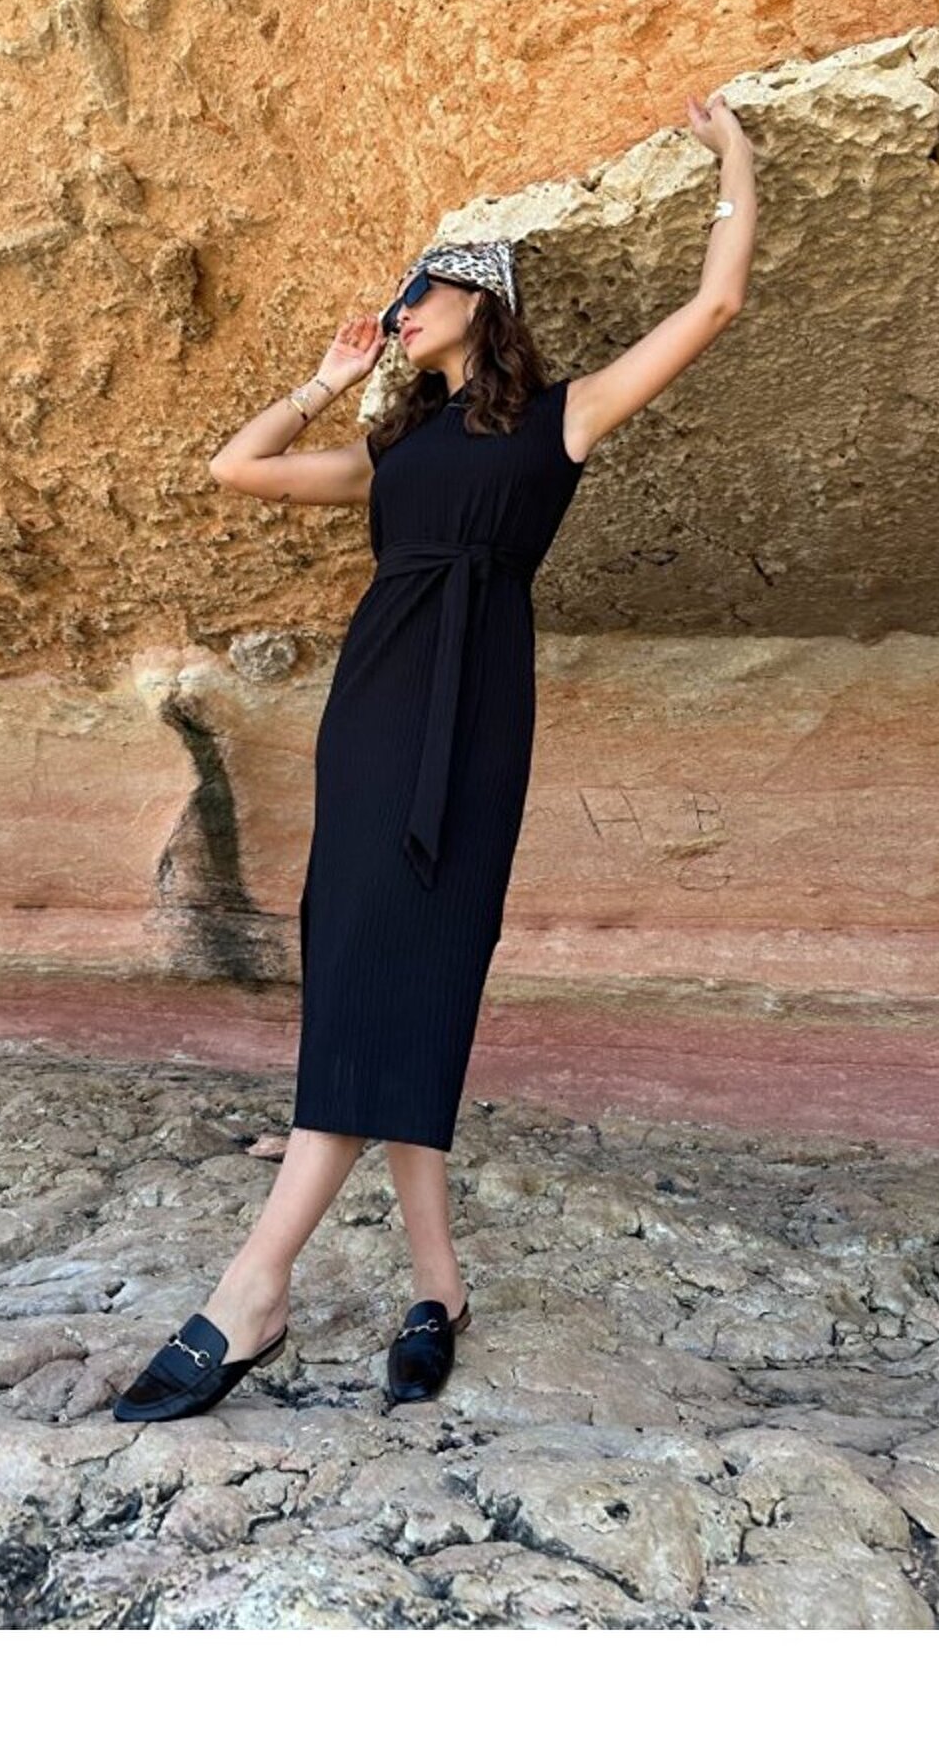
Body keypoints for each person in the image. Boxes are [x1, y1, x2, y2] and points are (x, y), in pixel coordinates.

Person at [113, 91, 757, 1423]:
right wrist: (329, 377)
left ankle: (252, 1288)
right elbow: (237, 467)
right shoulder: (392, 446)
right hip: (372, 716)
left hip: (473, 721)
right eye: (399, 296)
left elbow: (715, 305)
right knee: (365, 962)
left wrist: (736, 159)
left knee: (414, 971)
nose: (402, 309)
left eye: (421, 291)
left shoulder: (561, 420)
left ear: (482, 301)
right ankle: (437, 1289)